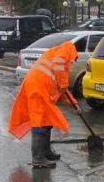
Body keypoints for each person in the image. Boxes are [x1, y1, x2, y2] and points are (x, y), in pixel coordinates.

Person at [8, 40, 81, 169]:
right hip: (37, 86)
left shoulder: (58, 53)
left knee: (46, 119)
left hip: (39, 85)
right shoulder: (67, 49)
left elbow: (63, 90)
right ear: (74, 52)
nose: (72, 63)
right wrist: (64, 83)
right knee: (39, 121)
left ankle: (46, 152)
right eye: (73, 60)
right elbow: (59, 67)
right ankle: (38, 159)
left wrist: (73, 104)